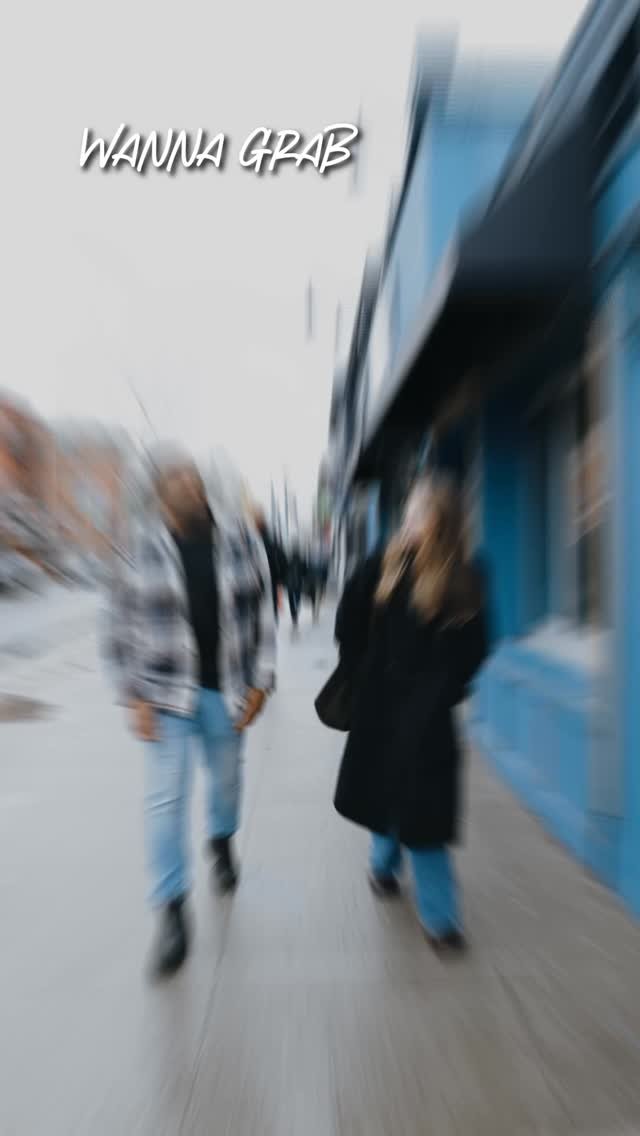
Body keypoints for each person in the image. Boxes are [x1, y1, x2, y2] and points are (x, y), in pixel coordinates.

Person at [106, 443, 276, 979]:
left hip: (226, 688)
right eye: (179, 482)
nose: (191, 488)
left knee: (227, 783)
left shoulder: (239, 539)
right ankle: (172, 912)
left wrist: (263, 681)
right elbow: (117, 626)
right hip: (164, 694)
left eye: (195, 481)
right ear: (161, 495)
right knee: (165, 800)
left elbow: (263, 612)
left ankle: (220, 839)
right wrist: (132, 695)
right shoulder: (138, 547)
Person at [331, 474, 488, 953]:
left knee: (424, 816)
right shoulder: (382, 564)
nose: (409, 519)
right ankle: (382, 865)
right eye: (410, 510)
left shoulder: (463, 576)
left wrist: (444, 692)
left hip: (427, 718)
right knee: (387, 795)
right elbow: (347, 621)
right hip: (381, 710)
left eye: (421, 511)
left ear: (442, 520)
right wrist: (361, 671)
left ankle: (441, 921)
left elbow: (476, 646)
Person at [253, 506, 287, 623]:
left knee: (257, 618)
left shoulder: (251, 540)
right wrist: (279, 582)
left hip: (255, 586)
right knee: (271, 617)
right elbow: (283, 561)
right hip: (271, 584)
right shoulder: (272, 540)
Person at [287, 542, 304, 632]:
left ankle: (293, 614)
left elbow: (284, 570)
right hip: (298, 583)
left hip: (290, 584)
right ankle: (296, 611)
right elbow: (305, 571)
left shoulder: (288, 561)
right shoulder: (301, 561)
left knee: (290, 599)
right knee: (298, 598)